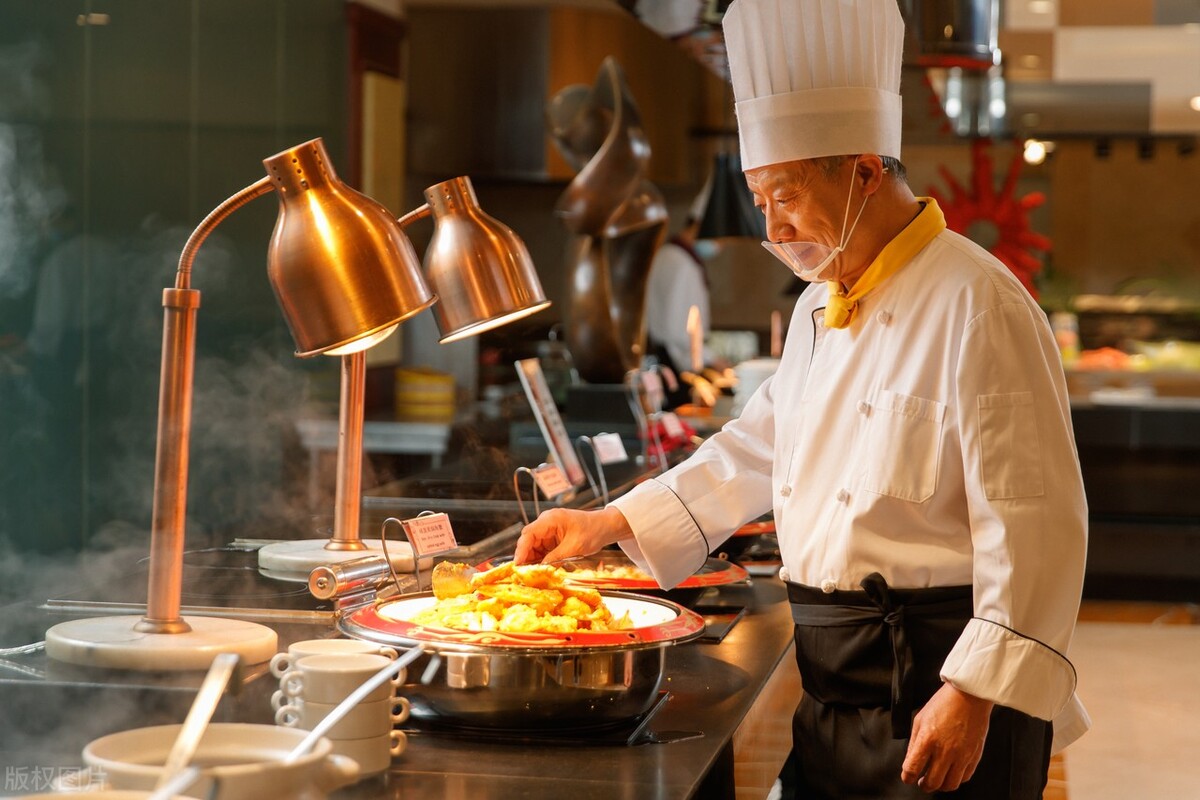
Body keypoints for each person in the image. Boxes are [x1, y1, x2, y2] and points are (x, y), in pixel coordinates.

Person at [515, 0, 1090, 797]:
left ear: (862, 168)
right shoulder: (818, 306)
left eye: (783, 193)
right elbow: (759, 445)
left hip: (939, 688)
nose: (771, 224)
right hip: (835, 693)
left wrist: (974, 691)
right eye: (758, 198)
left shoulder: (978, 303)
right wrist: (614, 521)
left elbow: (1037, 523)